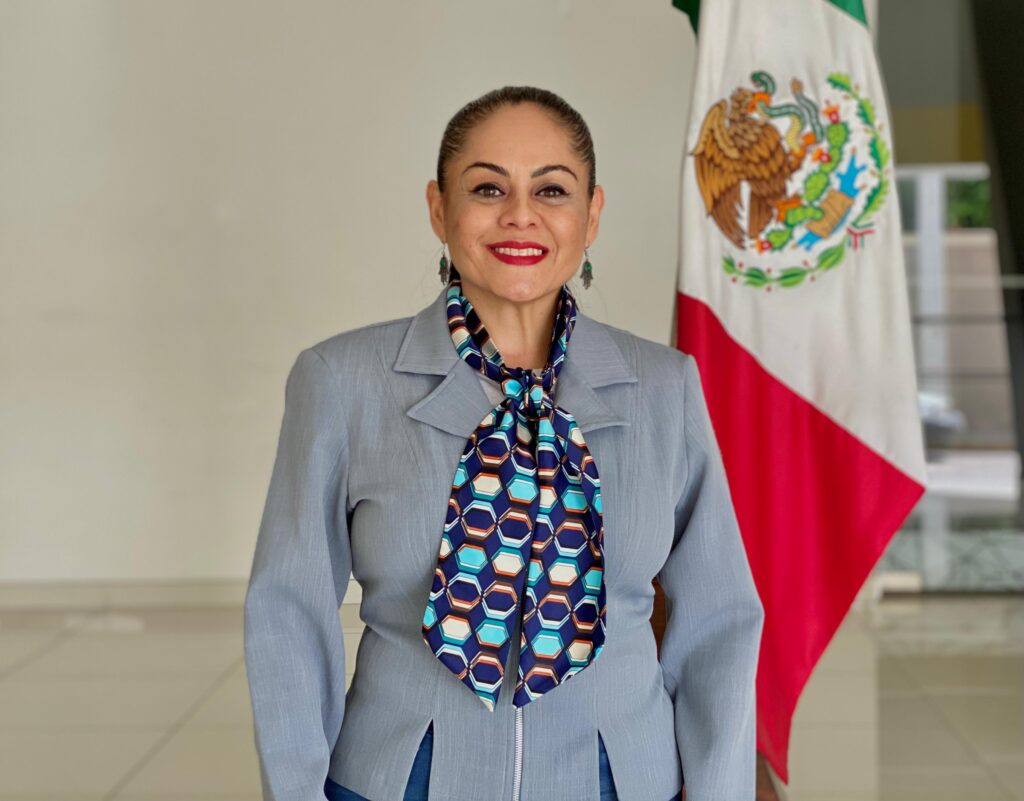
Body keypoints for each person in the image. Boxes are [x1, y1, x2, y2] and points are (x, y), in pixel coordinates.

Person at [244, 85, 764, 801]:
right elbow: (289, 616)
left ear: (591, 215)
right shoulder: (341, 381)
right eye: (488, 187)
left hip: (618, 777)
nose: (520, 214)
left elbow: (719, 623)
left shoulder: (665, 388)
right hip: (404, 777)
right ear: (439, 208)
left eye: (552, 190)